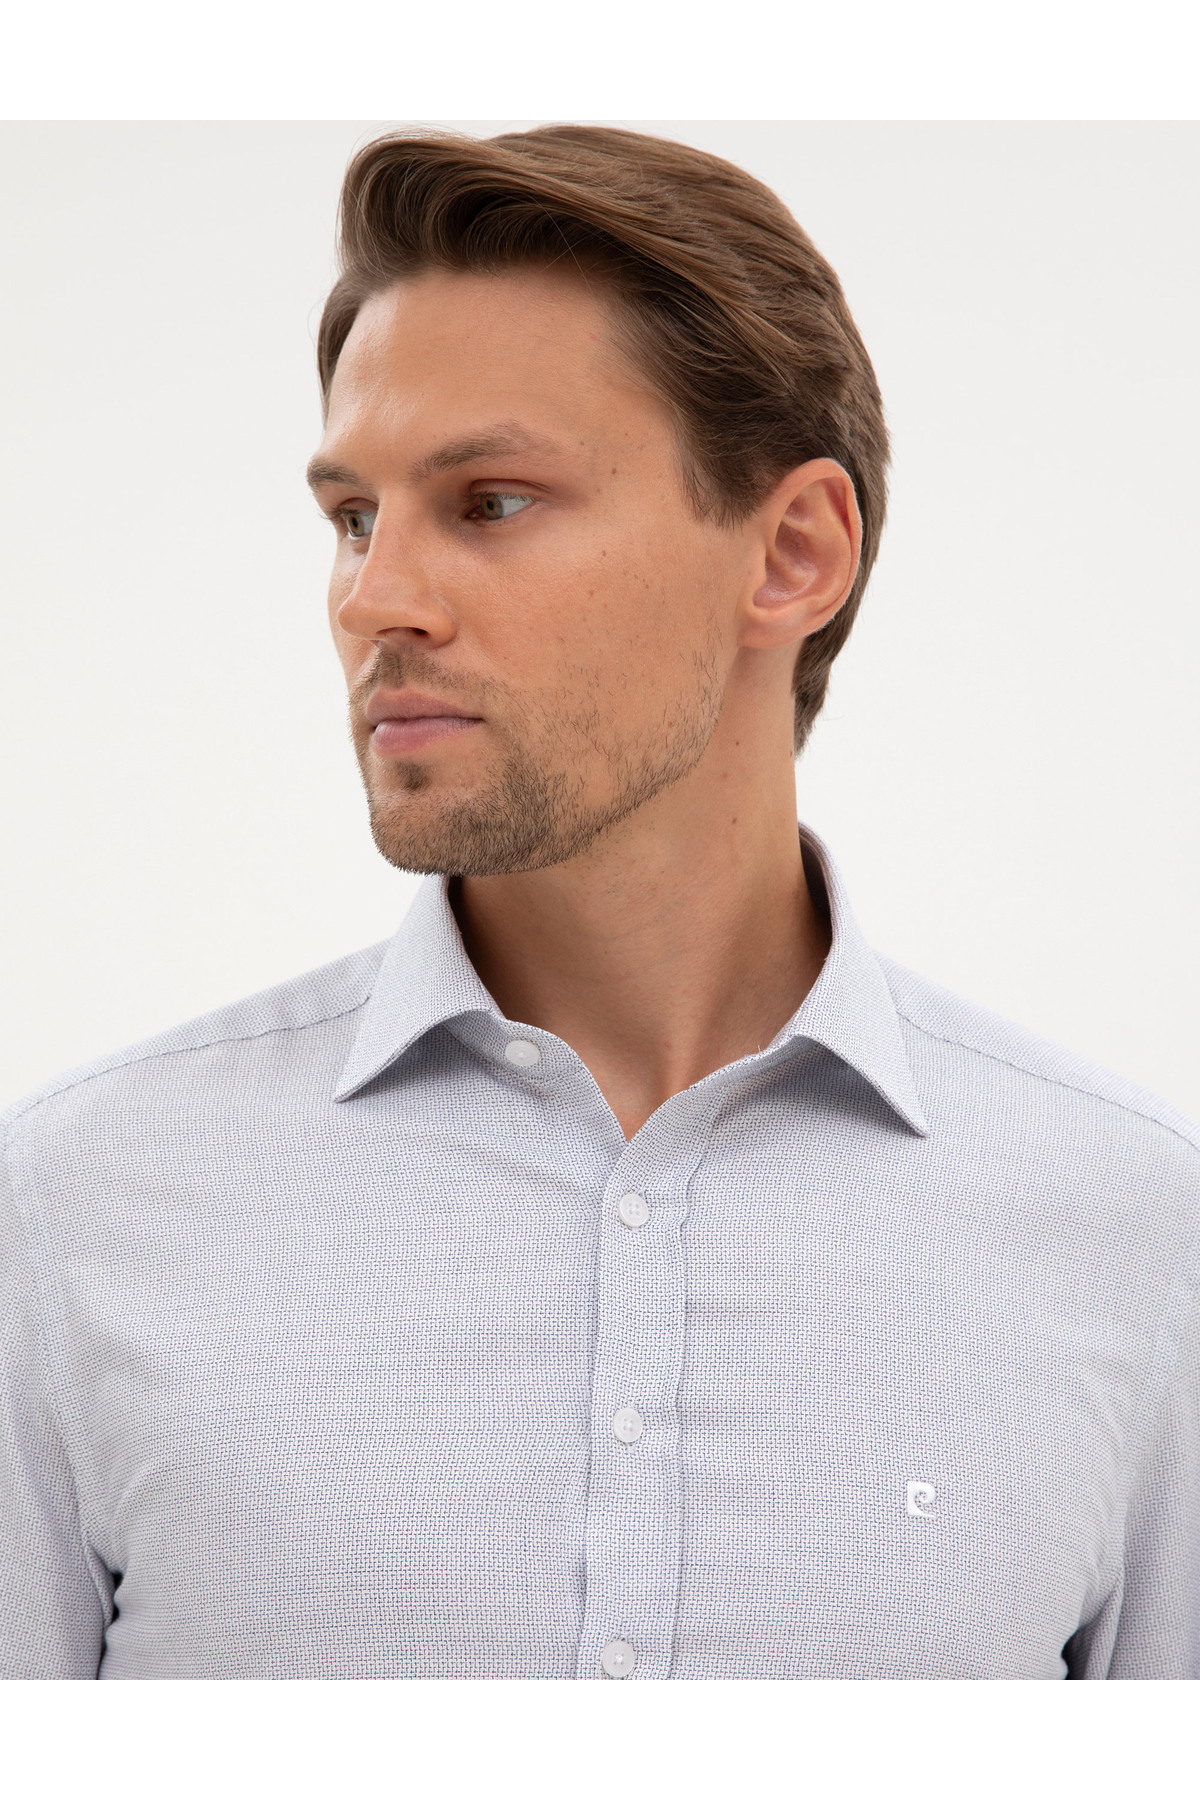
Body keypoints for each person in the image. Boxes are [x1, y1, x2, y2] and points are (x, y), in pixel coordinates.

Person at [2, 124, 1197, 1684]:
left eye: (490, 501)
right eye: (354, 517)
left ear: (792, 552)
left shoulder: (1138, 1238)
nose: (373, 598)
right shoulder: (74, 1210)